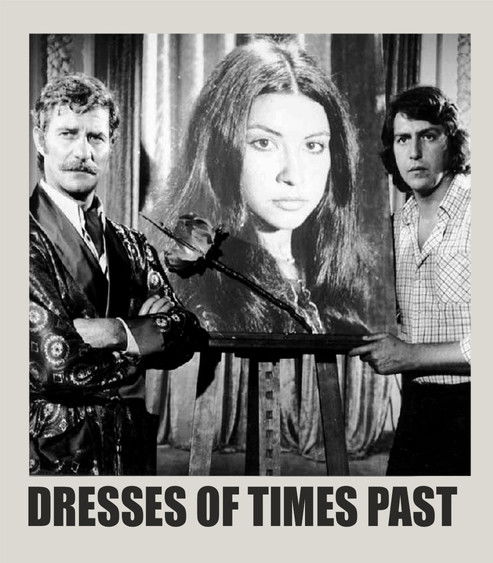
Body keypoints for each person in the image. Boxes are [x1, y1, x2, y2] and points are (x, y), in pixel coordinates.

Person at [30, 73, 201, 475]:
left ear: (111, 146)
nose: (82, 151)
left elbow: (187, 333)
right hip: (51, 458)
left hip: (129, 453)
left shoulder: (131, 243)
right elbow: (50, 364)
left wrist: (112, 332)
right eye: (68, 134)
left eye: (96, 137)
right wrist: (141, 339)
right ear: (41, 140)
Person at [157, 37, 371, 335]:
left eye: (313, 145)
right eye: (264, 143)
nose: (293, 175)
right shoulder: (192, 287)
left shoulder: (345, 276)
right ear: (220, 150)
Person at [350, 85, 471, 475]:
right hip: (418, 408)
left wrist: (412, 355)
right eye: (403, 139)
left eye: (428, 136)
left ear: (451, 142)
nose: (414, 152)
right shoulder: (395, 226)